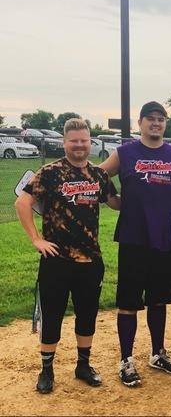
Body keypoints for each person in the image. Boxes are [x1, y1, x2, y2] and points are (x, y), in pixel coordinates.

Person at [15, 118, 120, 394]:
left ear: (90, 142)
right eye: (74, 141)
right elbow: (22, 202)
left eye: (84, 140)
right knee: (53, 315)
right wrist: (36, 239)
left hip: (90, 260)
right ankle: (46, 370)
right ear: (65, 143)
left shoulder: (98, 175)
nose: (79, 145)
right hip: (57, 261)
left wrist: (146, 194)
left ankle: (83, 365)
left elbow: (115, 203)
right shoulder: (50, 172)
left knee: (87, 314)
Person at [100, 101, 171, 387]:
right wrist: (113, 200)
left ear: (166, 124)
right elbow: (97, 175)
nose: (156, 123)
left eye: (161, 119)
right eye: (150, 118)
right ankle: (126, 359)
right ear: (140, 123)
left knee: (158, 299)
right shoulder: (125, 152)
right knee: (128, 302)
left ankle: (157, 353)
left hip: (163, 239)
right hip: (132, 238)